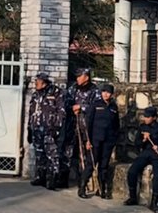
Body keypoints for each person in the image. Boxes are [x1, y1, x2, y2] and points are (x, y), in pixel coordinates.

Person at [123, 107, 158, 213]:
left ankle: (154, 203)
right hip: (146, 153)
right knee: (132, 171)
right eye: (145, 116)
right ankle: (132, 197)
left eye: (148, 117)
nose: (146, 119)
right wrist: (144, 140)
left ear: (154, 118)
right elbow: (137, 143)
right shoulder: (142, 127)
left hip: (156, 154)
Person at [65, 69, 104, 198]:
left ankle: (85, 183)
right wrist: (72, 107)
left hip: (88, 129)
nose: (77, 79)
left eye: (79, 76)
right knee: (72, 154)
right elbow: (66, 101)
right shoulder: (73, 88)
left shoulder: (95, 91)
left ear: (86, 77)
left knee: (88, 156)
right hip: (74, 126)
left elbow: (97, 107)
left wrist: (82, 108)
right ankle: (76, 179)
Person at [25, 73, 66, 190]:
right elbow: (31, 112)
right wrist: (29, 128)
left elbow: (61, 112)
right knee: (39, 154)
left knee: (52, 155)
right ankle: (40, 177)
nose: (35, 83)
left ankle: (52, 179)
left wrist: (57, 128)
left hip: (50, 129)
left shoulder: (56, 93)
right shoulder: (35, 95)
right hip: (37, 129)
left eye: (37, 81)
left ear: (44, 82)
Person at [85, 83, 121, 199]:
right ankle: (82, 187)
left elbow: (116, 125)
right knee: (91, 164)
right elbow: (89, 124)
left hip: (108, 141)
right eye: (104, 92)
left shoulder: (113, 107)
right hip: (95, 139)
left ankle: (102, 190)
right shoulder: (95, 105)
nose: (105, 94)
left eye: (108, 92)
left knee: (104, 166)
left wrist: (114, 139)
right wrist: (88, 140)